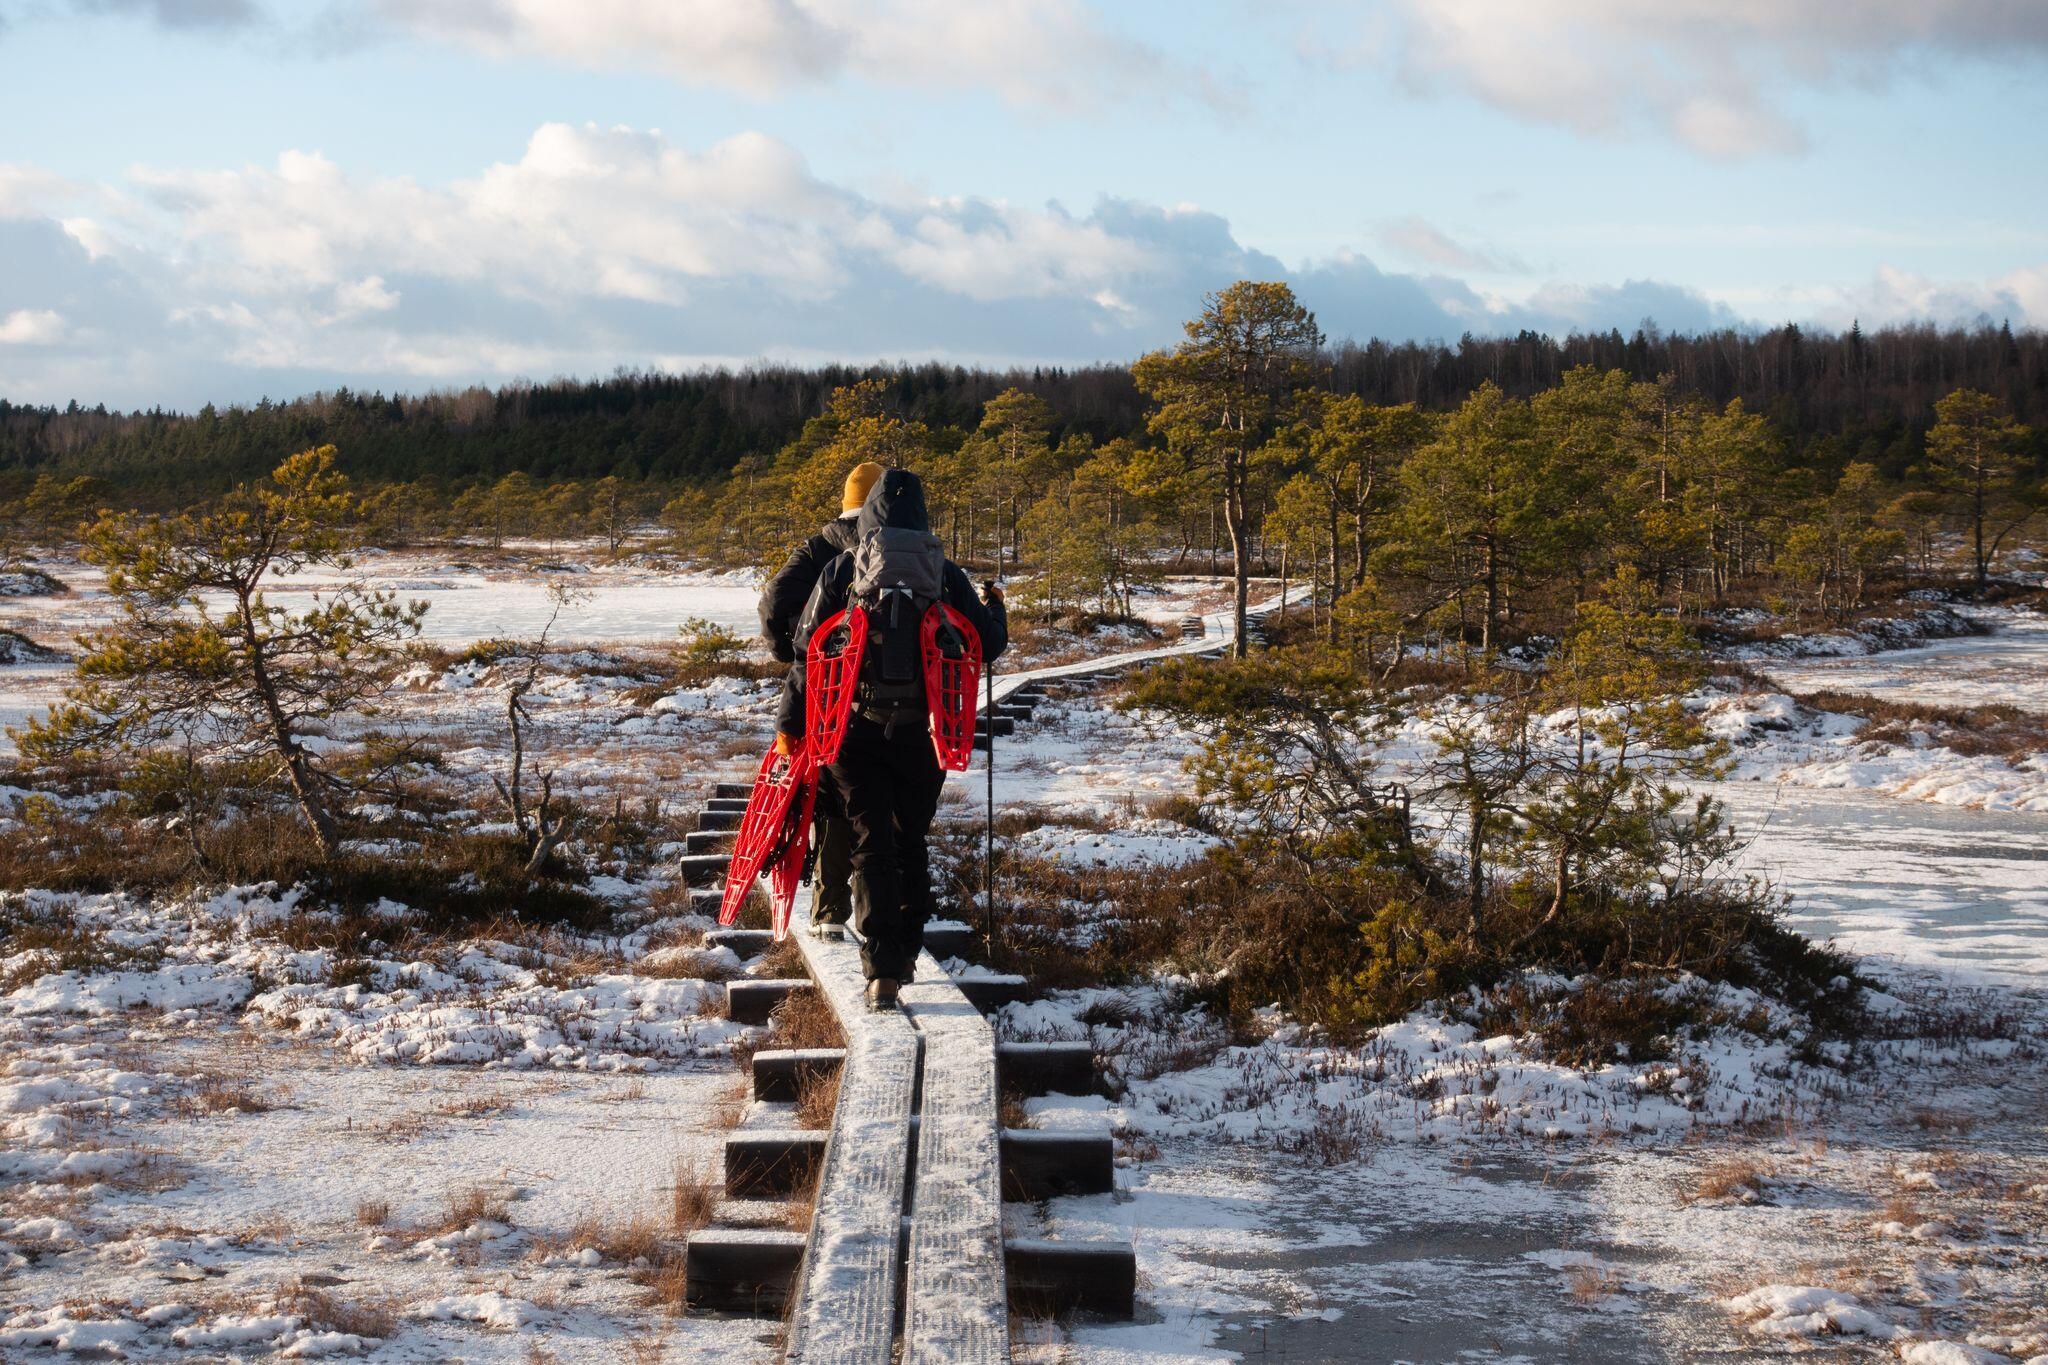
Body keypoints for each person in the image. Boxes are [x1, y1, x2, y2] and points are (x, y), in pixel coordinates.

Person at [776, 469, 1006, 1009]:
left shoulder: (842, 568)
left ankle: (879, 967)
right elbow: (989, 644)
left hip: (854, 729)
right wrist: (995, 605)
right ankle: (905, 952)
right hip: (926, 733)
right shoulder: (944, 572)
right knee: (910, 840)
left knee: (869, 843)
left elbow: (807, 650)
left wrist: (790, 724)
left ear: (871, 513)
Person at [757, 462, 883, 937]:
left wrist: (796, 649)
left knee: (830, 793)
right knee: (880, 799)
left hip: (825, 687)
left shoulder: (817, 548)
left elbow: (773, 604)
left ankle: (829, 911)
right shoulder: (902, 550)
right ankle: (881, 909)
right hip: (888, 693)